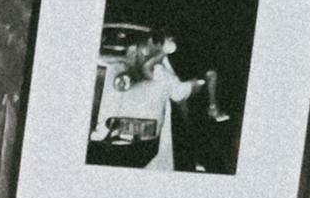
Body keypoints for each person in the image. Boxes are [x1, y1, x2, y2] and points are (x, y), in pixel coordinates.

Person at [89, 27, 218, 173]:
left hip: (149, 111)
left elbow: (166, 80)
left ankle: (193, 158)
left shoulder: (163, 64)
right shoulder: (132, 56)